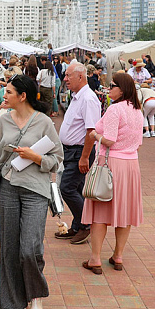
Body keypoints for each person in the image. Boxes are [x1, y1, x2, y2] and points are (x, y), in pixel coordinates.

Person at [0, 75, 62, 309]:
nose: (4, 96)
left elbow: (57, 158)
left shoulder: (43, 123)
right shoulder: (4, 120)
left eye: (9, 92)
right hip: (9, 188)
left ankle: (36, 296)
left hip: (36, 190)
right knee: (9, 248)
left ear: (23, 96)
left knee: (30, 248)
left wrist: (35, 157)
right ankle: (16, 302)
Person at [81, 72, 144, 275]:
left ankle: (95, 258)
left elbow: (109, 139)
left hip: (110, 163)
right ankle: (118, 255)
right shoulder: (137, 110)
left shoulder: (115, 109)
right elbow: (139, 142)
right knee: (124, 213)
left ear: (122, 89)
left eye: (113, 85)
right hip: (131, 164)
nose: (109, 88)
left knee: (100, 212)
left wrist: (94, 135)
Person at [56, 62, 101, 245]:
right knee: (76, 189)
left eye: (68, 76)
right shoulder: (77, 97)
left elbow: (91, 131)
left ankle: (86, 224)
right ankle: (77, 225)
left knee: (66, 188)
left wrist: (84, 156)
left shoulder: (88, 99)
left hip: (79, 151)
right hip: (72, 151)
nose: (65, 79)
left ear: (80, 77)